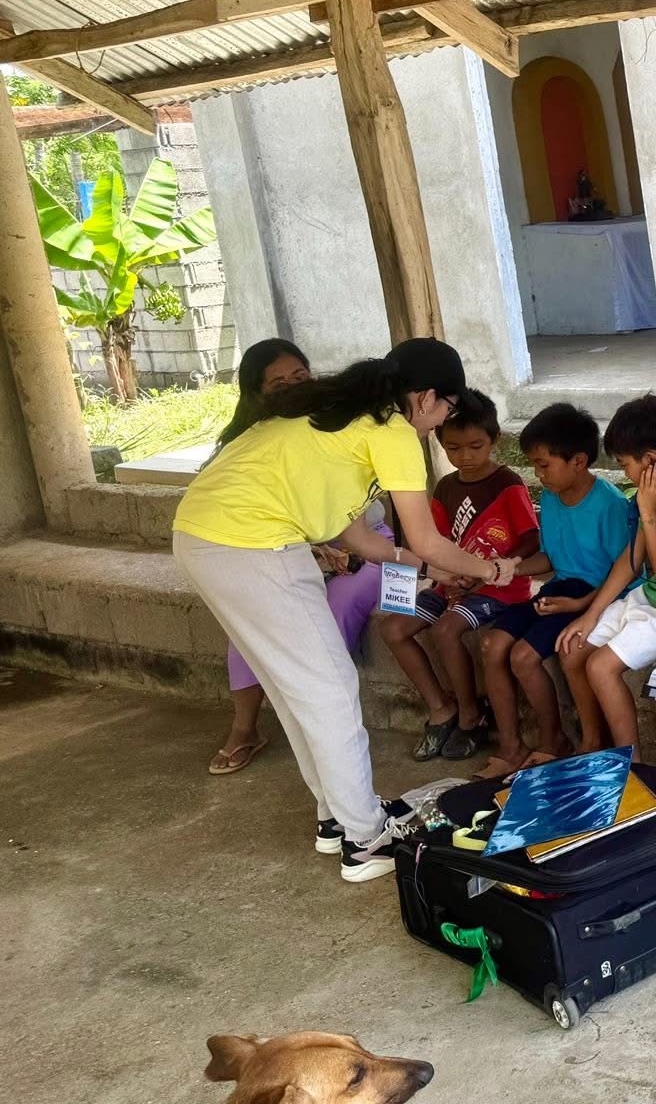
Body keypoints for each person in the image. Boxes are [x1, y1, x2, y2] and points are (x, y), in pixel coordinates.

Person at [173, 339, 517, 883]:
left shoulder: (343, 411)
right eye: (447, 409)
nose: (442, 422)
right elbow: (429, 539)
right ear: (426, 397)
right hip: (252, 545)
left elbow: (355, 532)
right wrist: (491, 570)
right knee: (330, 690)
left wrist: (426, 562)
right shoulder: (394, 431)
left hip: (206, 537)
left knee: (298, 689)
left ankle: (335, 817)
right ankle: (364, 839)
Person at [204, 340, 386, 780]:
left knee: (336, 606)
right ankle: (245, 729)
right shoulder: (243, 440)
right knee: (249, 628)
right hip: (287, 549)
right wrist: (311, 547)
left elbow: (363, 505)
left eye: (299, 378)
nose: (291, 389)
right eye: (277, 383)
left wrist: (340, 546)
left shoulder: (336, 420)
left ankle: (325, 718)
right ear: (256, 393)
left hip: (367, 545)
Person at [377, 390, 538, 763]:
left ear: (495, 439)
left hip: (500, 588)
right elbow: (434, 540)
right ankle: (441, 708)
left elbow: (531, 540)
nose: (465, 456)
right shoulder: (446, 487)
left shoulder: (508, 484)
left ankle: (470, 716)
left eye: (475, 446)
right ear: (439, 442)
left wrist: (496, 568)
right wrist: (448, 574)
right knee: (392, 629)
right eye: (453, 448)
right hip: (451, 585)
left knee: (447, 629)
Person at [477, 404, 634, 777]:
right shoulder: (550, 496)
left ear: (578, 461)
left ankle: (554, 741)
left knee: (524, 657)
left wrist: (582, 604)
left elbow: (623, 572)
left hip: (594, 593)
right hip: (560, 586)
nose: (538, 473)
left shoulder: (609, 504)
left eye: (544, 464)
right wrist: (507, 567)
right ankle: (511, 746)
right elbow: (548, 559)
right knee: (491, 645)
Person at [558, 396, 656, 774]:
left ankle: (631, 767)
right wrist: (590, 616)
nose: (625, 473)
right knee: (572, 649)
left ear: (651, 459)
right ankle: (595, 743)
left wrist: (647, 510)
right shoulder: (653, 495)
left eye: (626, 463)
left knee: (600, 668)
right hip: (646, 600)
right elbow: (630, 565)